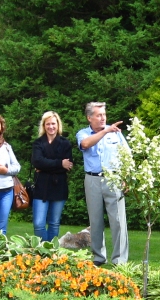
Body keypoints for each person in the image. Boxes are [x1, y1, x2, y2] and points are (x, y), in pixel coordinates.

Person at [77, 102, 129, 265]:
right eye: (98, 115)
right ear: (89, 117)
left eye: (104, 115)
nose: (102, 118)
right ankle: (99, 257)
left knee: (118, 220)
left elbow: (127, 155)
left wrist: (125, 176)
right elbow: (85, 144)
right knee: (96, 220)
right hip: (92, 179)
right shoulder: (83, 133)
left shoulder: (116, 134)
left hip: (113, 179)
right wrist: (106, 130)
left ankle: (120, 260)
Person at [31, 111, 73, 241]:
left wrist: (45, 166)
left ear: (58, 125)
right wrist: (59, 163)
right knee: (38, 224)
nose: (51, 127)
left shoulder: (65, 143)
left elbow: (68, 165)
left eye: (53, 123)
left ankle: (51, 253)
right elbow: (36, 161)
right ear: (44, 126)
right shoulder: (38, 143)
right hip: (41, 187)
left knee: (54, 223)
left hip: (58, 186)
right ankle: (43, 250)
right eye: (48, 124)